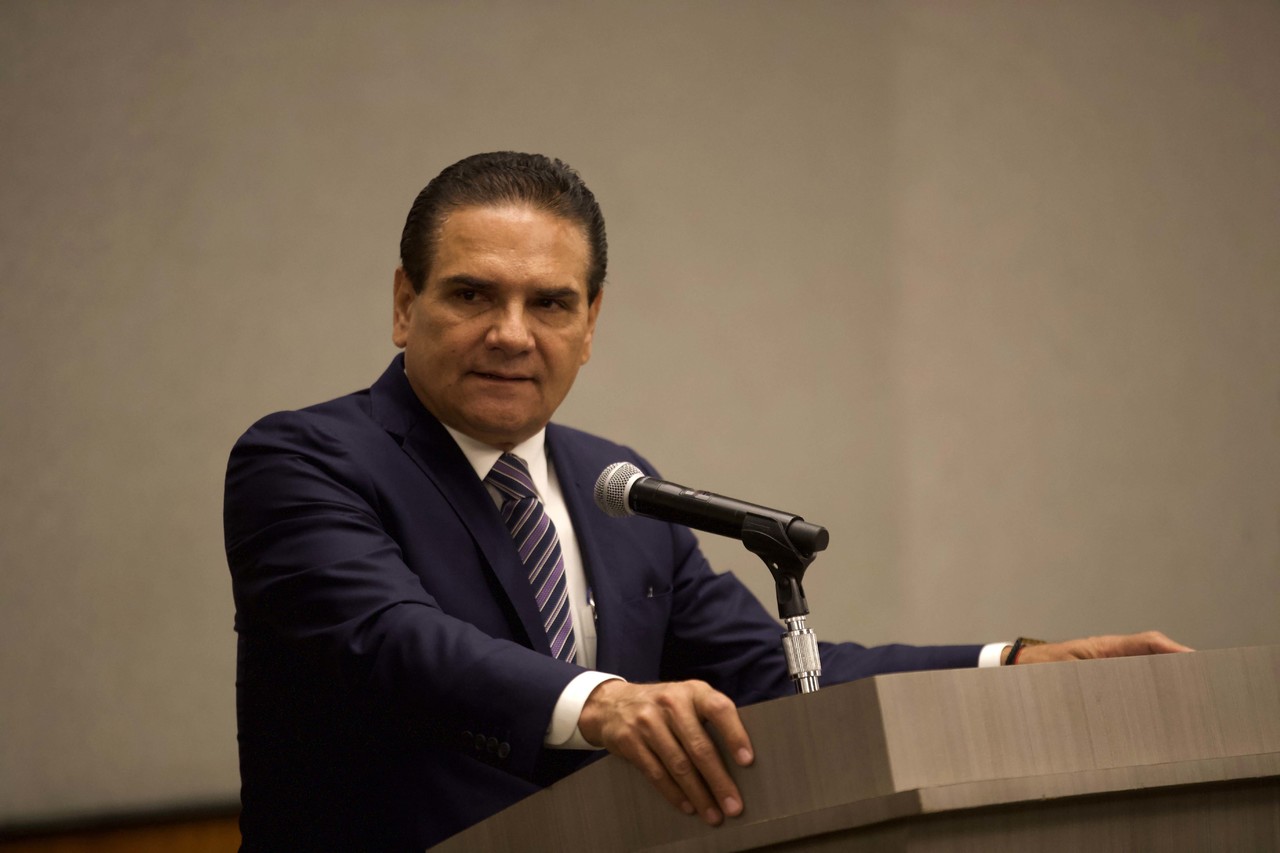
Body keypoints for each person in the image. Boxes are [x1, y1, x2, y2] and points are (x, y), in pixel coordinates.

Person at [223, 151, 1190, 851]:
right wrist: (601, 703)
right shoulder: (304, 460)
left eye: (551, 303)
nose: (513, 334)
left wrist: (1008, 665)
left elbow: (775, 675)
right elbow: (391, 638)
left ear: (591, 323)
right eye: (473, 295)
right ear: (405, 303)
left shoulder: (615, 486)